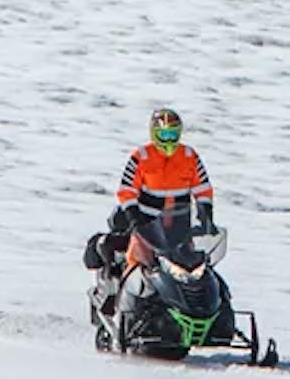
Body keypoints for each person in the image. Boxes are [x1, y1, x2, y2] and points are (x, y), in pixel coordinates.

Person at [87, 107, 212, 277]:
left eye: (172, 135)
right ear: (154, 134)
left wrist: (206, 213)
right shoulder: (141, 156)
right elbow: (127, 190)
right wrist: (133, 216)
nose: (168, 140)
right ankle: (126, 299)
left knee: (199, 270)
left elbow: (202, 188)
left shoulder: (189, 156)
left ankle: (217, 301)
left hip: (180, 227)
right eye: (164, 135)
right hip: (146, 227)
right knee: (136, 267)